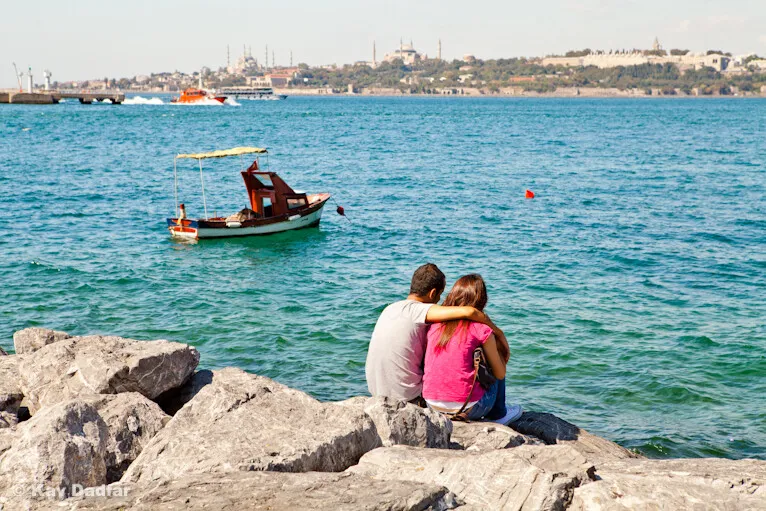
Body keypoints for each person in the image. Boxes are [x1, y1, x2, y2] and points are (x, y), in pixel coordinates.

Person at [366, 263, 509, 404]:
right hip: (406, 395)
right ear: (433, 293)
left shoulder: (390, 309)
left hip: (376, 391)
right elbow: (469, 311)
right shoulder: (419, 310)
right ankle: (498, 411)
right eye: (439, 295)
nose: (439, 301)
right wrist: (498, 332)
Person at [422, 274, 522, 424]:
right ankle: (499, 415)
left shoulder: (434, 327)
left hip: (432, 404)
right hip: (467, 408)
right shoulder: (481, 329)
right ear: (483, 301)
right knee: (497, 364)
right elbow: (500, 374)